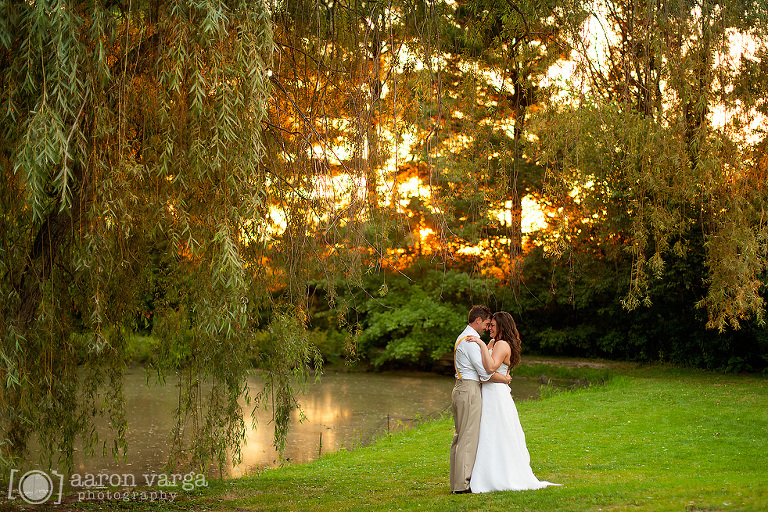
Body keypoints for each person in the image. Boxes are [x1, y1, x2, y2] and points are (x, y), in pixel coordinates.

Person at [467, 311, 560, 493]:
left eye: (493, 325)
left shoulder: (502, 344)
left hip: (496, 394)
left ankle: (501, 475)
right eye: (489, 325)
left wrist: (480, 344)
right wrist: (500, 375)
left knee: (497, 431)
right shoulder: (494, 343)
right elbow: (483, 368)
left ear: (501, 326)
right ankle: (486, 472)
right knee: (487, 432)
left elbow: (489, 367)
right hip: (489, 391)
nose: (489, 328)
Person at [450, 305, 511, 494]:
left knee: (460, 436)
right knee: (468, 437)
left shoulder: (464, 337)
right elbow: (485, 373)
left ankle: (456, 482)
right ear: (478, 320)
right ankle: (462, 485)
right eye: (486, 323)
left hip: (461, 388)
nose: (487, 327)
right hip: (469, 390)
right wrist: (505, 379)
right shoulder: (470, 341)